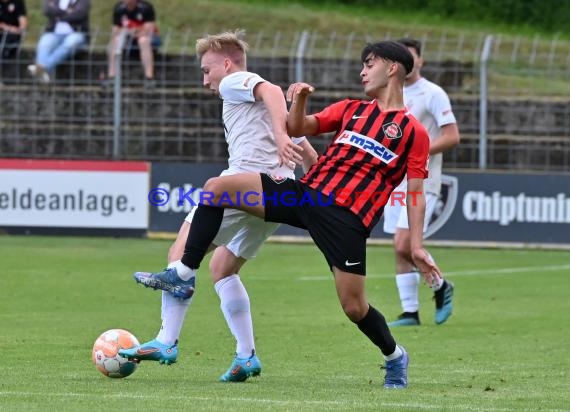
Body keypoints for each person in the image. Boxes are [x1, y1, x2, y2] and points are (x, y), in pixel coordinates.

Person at [127, 40, 442, 389]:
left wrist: (416, 246)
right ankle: (184, 273)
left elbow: (415, 192)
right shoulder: (352, 109)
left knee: (354, 308)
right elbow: (298, 127)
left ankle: (395, 356)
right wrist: (300, 100)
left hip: (346, 220)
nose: (363, 71)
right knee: (215, 189)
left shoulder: (414, 132)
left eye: (370, 64)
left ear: (393, 68)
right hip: (306, 196)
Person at [119, 30, 318, 382]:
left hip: (241, 186)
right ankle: (246, 355)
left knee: (180, 254)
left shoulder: (234, 83)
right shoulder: (272, 112)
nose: (205, 80)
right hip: (276, 196)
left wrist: (284, 137)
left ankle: (166, 340)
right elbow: (310, 158)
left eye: (207, 70)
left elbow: (270, 90)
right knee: (223, 269)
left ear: (226, 64)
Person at [383, 38, 460, 327]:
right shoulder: (390, 93)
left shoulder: (433, 93)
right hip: (394, 181)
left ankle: (441, 286)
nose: (408, 62)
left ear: (420, 61)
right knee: (398, 247)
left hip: (422, 180)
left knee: (405, 243)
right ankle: (410, 312)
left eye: (412, 57)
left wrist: (418, 152)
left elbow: (452, 136)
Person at [27, 0, 90, 84]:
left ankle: (43, 68)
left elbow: (79, 15)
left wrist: (59, 16)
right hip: (54, 33)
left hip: (76, 33)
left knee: (70, 43)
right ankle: (43, 74)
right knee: (44, 44)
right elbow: (47, 10)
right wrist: (67, 12)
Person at [107, 0, 160, 86]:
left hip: (148, 38)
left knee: (143, 40)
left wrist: (133, 31)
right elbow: (115, 30)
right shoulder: (119, 8)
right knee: (115, 41)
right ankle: (112, 76)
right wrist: (128, 32)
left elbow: (148, 29)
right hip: (128, 37)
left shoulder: (146, 7)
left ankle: (149, 77)